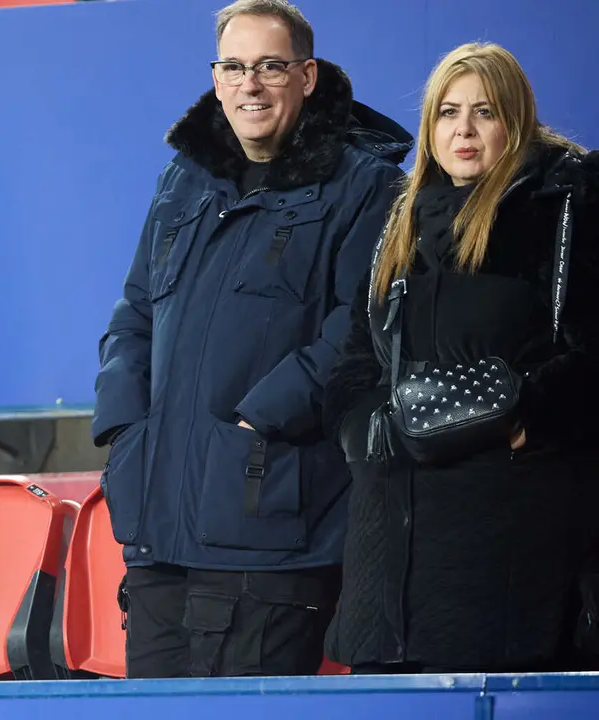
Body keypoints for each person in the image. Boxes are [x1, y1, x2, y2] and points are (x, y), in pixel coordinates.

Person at [91, 0, 413, 678]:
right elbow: (136, 309)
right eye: (234, 67)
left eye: (270, 66)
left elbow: (361, 328)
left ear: (307, 75)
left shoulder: (368, 185)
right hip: (158, 533)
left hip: (269, 528)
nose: (251, 85)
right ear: (216, 78)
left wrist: (255, 423)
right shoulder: (184, 179)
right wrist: (125, 424)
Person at [322, 42, 599, 673]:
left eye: (485, 112)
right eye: (448, 113)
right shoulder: (401, 223)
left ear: (517, 121)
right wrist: (362, 429)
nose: (464, 131)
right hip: (388, 546)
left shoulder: (565, 210)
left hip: (511, 544)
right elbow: (356, 361)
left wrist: (526, 413)